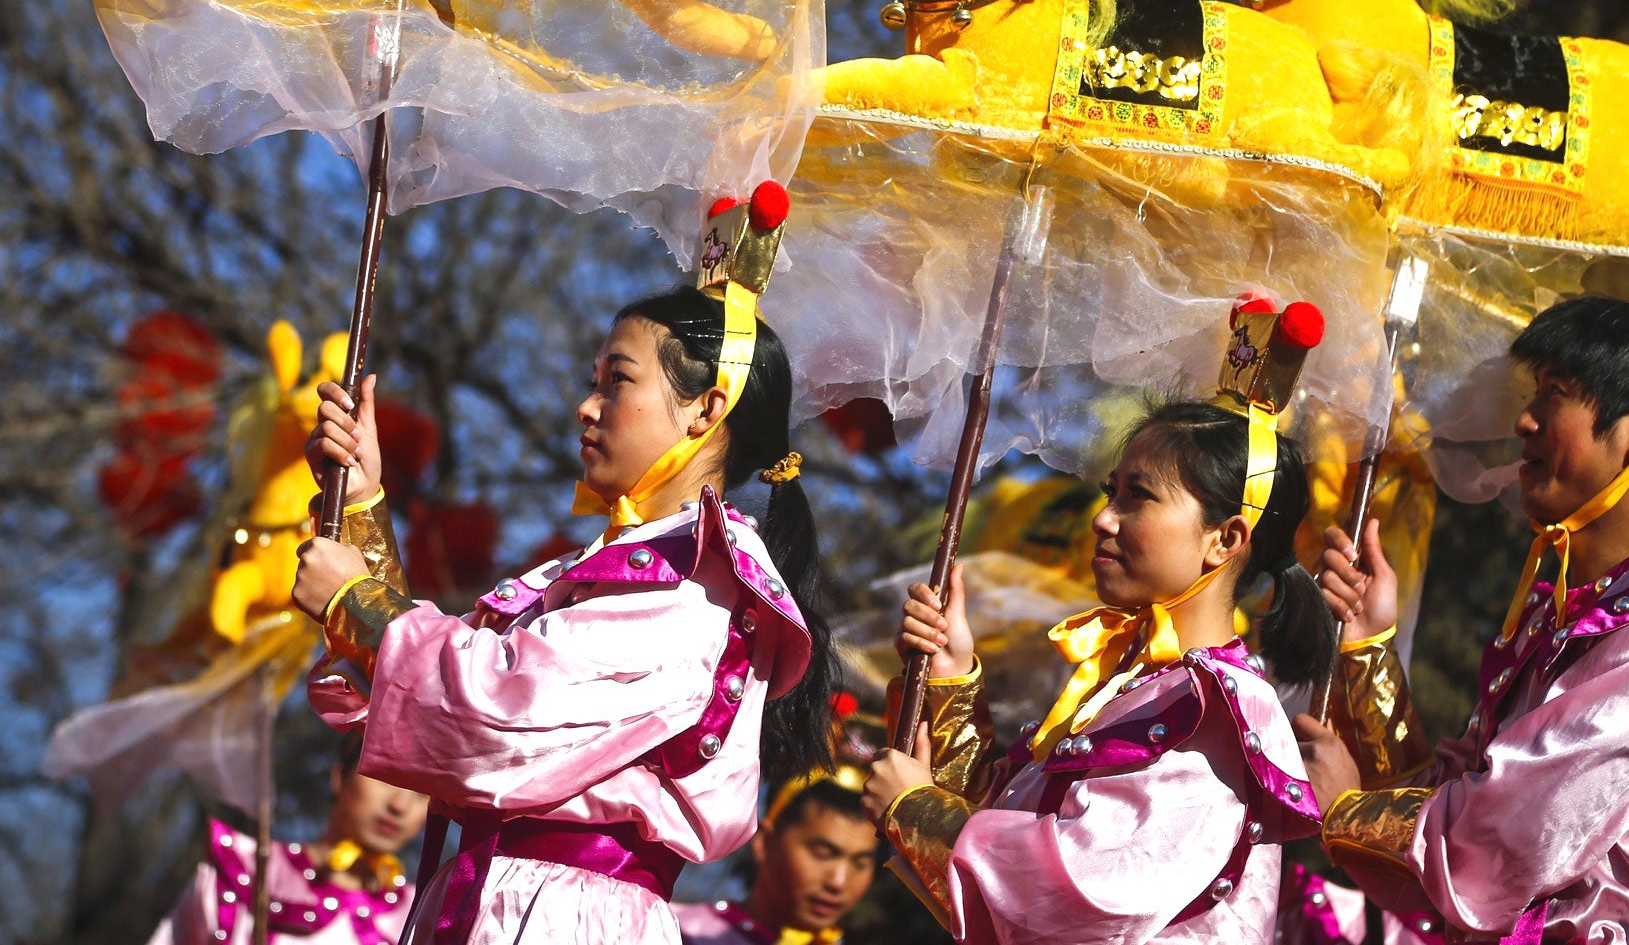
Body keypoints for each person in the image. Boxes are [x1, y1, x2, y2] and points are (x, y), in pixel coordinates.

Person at [291, 187, 837, 945]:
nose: (587, 406)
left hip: (563, 916)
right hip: (510, 899)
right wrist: (363, 501)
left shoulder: (693, 587)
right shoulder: (633, 568)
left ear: (704, 412)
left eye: (617, 380)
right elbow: (465, 677)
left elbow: (502, 705)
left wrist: (356, 603)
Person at [1296, 285, 1629, 943]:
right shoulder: (1570, 599)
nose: (1526, 421)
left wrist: (1346, 809)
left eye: (1554, 394)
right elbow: (1465, 798)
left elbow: (1500, 836)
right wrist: (1369, 652)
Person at [865, 297, 1336, 944]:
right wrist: (950, 682)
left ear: (1225, 539)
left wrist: (918, 810)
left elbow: (1086, 894)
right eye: (1111, 491)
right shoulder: (1134, 683)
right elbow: (1001, 851)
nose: (1103, 517)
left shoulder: (1220, 711)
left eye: (1138, 496)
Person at [147, 733, 428, 945]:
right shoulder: (246, 871)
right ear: (340, 776)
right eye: (385, 777)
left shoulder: (426, 918)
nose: (399, 805)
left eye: (422, 792)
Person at [673, 769, 880, 944]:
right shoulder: (674, 933)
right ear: (764, 842)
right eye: (822, 854)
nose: (838, 882)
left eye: (860, 864)